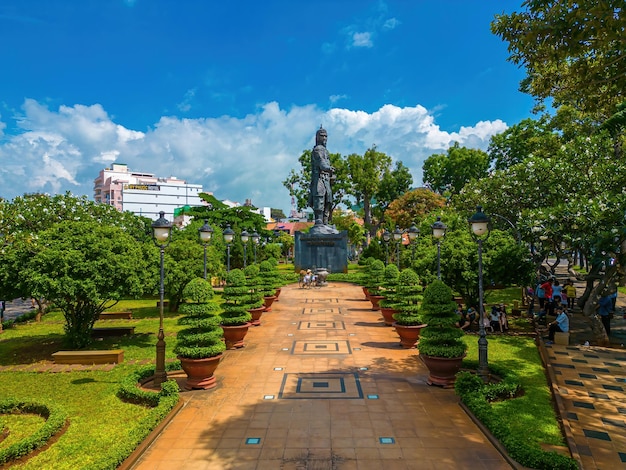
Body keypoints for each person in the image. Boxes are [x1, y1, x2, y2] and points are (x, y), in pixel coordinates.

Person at [308, 126, 334, 225]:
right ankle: (319, 220)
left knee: (328, 199)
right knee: (319, 197)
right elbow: (321, 163)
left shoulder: (325, 150)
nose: (324, 138)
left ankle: (325, 221)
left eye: (326, 136)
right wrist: (328, 168)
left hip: (326, 179)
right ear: (317, 137)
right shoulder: (317, 150)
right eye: (322, 136)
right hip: (318, 178)